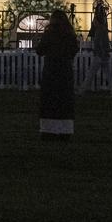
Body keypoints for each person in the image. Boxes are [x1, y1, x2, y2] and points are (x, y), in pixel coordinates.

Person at [35, 9, 78, 140]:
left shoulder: (49, 34)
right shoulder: (70, 34)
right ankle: (65, 131)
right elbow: (73, 51)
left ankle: (49, 130)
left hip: (51, 71)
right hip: (65, 72)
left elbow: (40, 51)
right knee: (64, 102)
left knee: (50, 102)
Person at [89, 0, 112, 94]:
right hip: (103, 54)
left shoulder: (100, 30)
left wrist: (99, 52)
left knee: (91, 74)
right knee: (107, 74)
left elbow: (100, 43)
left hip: (100, 55)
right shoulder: (102, 28)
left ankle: (83, 89)